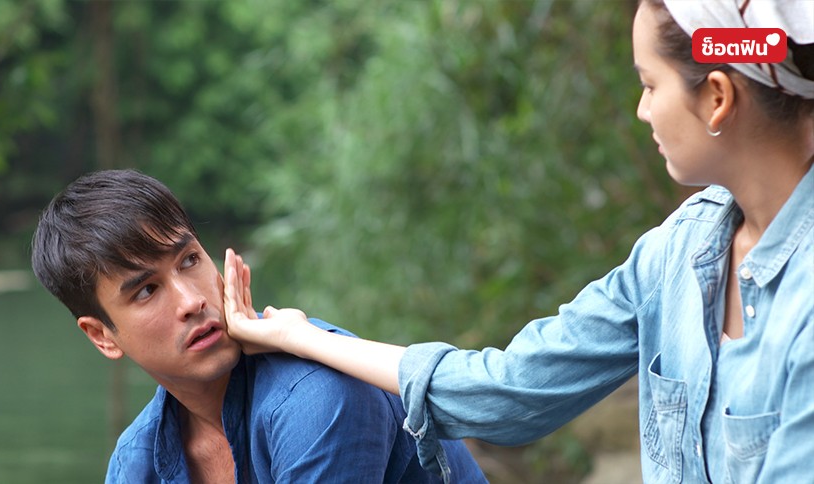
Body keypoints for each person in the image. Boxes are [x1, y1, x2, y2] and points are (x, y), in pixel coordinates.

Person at [224, 1, 814, 482]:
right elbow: (508, 391)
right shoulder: (679, 251)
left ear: (717, 97)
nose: (641, 110)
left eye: (649, 84)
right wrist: (301, 336)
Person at [30, 169, 486, 483]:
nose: (192, 301)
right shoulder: (136, 461)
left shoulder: (317, 394)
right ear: (102, 335)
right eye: (147, 290)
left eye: (189, 260)